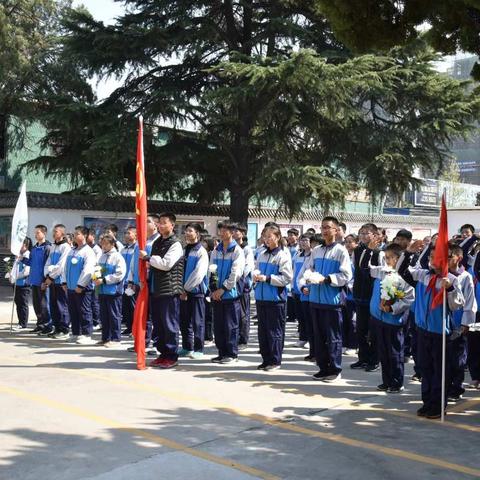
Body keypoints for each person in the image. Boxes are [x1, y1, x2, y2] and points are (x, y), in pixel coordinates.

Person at [399, 245, 464, 419]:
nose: (433, 261)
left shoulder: (451, 279)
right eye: (431, 257)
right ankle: (427, 402)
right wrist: (408, 253)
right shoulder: (422, 275)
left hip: (440, 333)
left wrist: (449, 289)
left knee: (439, 371)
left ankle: (437, 405)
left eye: (438, 257)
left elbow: (457, 304)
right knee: (425, 369)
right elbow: (401, 270)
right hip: (422, 330)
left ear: (446, 259)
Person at [299, 216, 353, 382]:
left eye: (328, 227)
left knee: (333, 337)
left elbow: (346, 276)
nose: (325, 230)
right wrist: (304, 285)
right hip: (315, 300)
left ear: (336, 230)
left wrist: (328, 279)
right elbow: (305, 271)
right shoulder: (316, 251)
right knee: (319, 336)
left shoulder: (340, 251)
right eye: (323, 227)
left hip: (332, 302)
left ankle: (334, 370)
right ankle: (323, 368)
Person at [140, 212, 184, 369]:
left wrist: (148, 258)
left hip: (169, 290)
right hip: (156, 289)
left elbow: (166, 264)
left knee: (169, 325)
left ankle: (172, 356)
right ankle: (162, 354)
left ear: (172, 225)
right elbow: (154, 264)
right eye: (160, 222)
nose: (161, 225)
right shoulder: (158, 242)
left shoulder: (176, 244)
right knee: (158, 325)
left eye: (165, 222)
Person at [369, 243, 415, 393]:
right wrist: (372, 250)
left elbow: (408, 299)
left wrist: (392, 308)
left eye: (391, 257)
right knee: (383, 351)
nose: (387, 260)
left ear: (399, 258)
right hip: (379, 318)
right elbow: (365, 267)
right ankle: (386, 380)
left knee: (394, 352)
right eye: (386, 257)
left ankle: (396, 382)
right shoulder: (382, 272)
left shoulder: (405, 276)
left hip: (394, 320)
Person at [254, 225, 293, 370]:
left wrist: (268, 278)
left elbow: (287, 278)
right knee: (262, 331)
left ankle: (275, 360)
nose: (267, 239)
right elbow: (256, 270)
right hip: (261, 297)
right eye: (265, 236)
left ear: (277, 237)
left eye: (270, 236)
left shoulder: (282, 255)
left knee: (274, 331)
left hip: (276, 299)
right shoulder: (262, 254)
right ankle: (266, 359)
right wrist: (255, 277)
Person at [209, 220, 245, 364]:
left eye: (225, 230)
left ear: (232, 232)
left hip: (230, 294)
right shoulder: (216, 250)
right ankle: (221, 352)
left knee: (231, 325)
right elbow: (211, 270)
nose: (222, 233)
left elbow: (235, 273)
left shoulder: (237, 251)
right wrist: (213, 289)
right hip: (217, 295)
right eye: (221, 230)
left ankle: (231, 354)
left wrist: (223, 289)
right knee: (218, 326)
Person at [351, 223, 384, 372]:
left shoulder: (380, 253)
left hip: (374, 295)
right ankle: (362, 358)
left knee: (374, 330)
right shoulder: (356, 250)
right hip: (359, 294)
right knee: (361, 329)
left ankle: (374, 359)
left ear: (375, 235)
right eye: (361, 233)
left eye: (367, 233)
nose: (363, 236)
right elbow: (356, 270)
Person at [447, 243, 477, 401]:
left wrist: (466, 323)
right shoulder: (442, 275)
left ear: (458, 258)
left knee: (457, 358)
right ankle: (446, 385)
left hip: (459, 322)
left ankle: (456, 387)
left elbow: (470, 302)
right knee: (445, 356)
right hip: (444, 321)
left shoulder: (465, 276)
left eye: (449, 256)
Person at [62, 226, 97, 344]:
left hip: (82, 288)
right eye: (74, 233)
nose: (75, 235)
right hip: (71, 287)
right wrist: (64, 282)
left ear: (84, 236)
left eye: (77, 233)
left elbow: (88, 270)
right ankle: (76, 333)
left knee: (84, 310)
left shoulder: (88, 252)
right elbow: (65, 267)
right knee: (73, 311)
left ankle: (87, 335)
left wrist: (80, 285)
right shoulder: (72, 250)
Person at [179, 223, 209, 358]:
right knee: (184, 321)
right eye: (186, 231)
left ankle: (198, 349)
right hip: (183, 291)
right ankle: (187, 347)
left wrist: (186, 288)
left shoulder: (201, 251)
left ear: (197, 234)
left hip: (196, 291)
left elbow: (199, 273)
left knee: (197, 321)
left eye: (190, 231)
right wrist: (180, 288)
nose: (187, 233)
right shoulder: (184, 250)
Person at [94, 234, 127, 347]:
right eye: (102, 243)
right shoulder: (102, 256)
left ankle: (115, 338)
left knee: (114, 315)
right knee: (104, 315)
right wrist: (96, 277)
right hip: (102, 290)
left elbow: (120, 274)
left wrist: (104, 280)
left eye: (106, 244)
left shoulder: (118, 257)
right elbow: (97, 268)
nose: (103, 246)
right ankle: (105, 337)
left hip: (113, 291)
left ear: (112, 244)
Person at [21, 225, 51, 334]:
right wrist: (22, 259)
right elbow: (31, 263)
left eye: (38, 233)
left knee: (45, 305)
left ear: (44, 233)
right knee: (37, 305)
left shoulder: (47, 248)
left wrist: (45, 280)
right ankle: (40, 324)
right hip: (34, 280)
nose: (36, 235)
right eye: (35, 233)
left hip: (43, 282)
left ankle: (47, 326)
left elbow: (48, 265)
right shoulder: (34, 248)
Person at [43, 224, 71, 339]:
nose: (54, 233)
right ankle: (57, 328)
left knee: (62, 305)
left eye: (56, 231)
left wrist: (50, 277)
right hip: (52, 281)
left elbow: (61, 266)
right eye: (53, 231)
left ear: (62, 234)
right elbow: (48, 262)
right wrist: (47, 274)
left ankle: (64, 330)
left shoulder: (66, 247)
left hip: (60, 281)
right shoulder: (53, 246)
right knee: (53, 305)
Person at [233, 223, 254, 350]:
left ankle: (243, 339)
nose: (234, 233)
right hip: (233, 283)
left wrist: (238, 278)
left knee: (243, 313)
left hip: (243, 284)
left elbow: (248, 267)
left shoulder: (246, 249)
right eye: (233, 231)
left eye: (237, 231)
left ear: (243, 234)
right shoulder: (232, 247)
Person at [291, 233, 313, 351]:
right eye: (302, 240)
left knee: (308, 317)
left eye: (306, 240)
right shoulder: (297, 255)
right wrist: (292, 286)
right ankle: (302, 337)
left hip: (307, 290)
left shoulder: (313, 256)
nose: (303, 243)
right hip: (297, 289)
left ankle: (310, 338)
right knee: (300, 316)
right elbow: (294, 272)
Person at [9, 237, 33, 331]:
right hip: (17, 283)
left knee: (23, 304)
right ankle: (20, 322)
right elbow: (15, 267)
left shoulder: (28, 255)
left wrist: (16, 276)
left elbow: (26, 271)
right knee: (18, 303)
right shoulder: (18, 255)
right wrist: (11, 275)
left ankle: (23, 323)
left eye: (21, 244)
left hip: (24, 284)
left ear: (25, 245)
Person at [343, 234, 359, 355]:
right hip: (345, 294)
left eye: (351, 242)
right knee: (345, 320)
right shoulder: (344, 256)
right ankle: (345, 343)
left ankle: (353, 345)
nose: (348, 244)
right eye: (346, 242)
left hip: (356, 294)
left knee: (354, 321)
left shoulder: (358, 257)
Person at [121, 227, 138, 336]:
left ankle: (135, 328)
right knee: (125, 306)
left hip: (131, 282)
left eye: (129, 233)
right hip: (123, 282)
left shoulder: (136, 248)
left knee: (133, 306)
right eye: (125, 233)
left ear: (136, 235)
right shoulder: (123, 249)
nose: (126, 235)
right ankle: (129, 326)